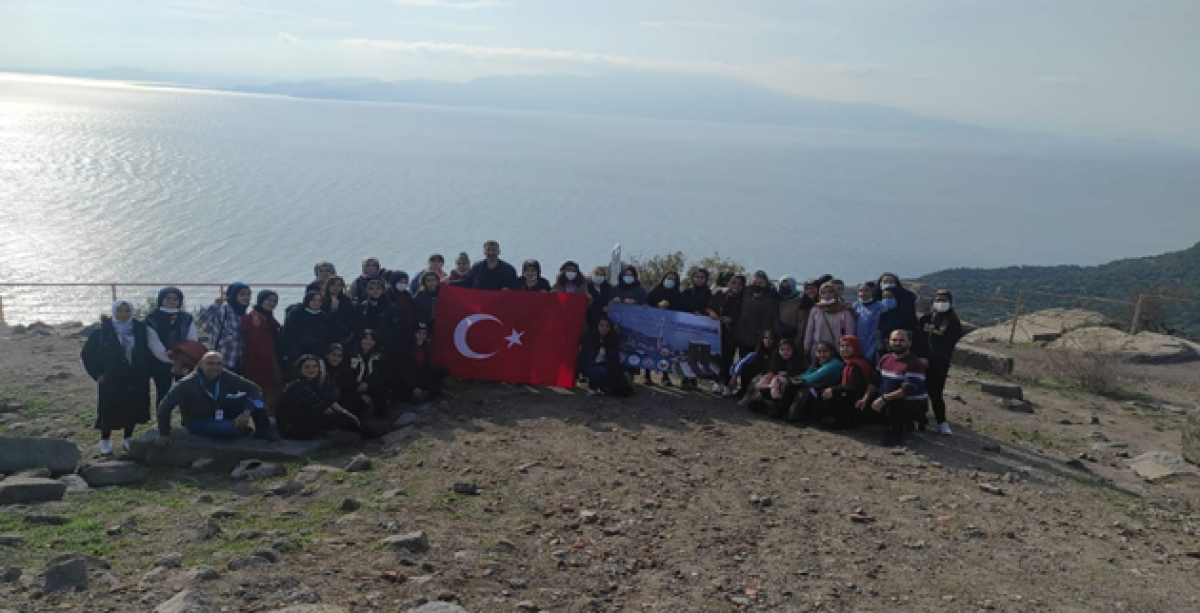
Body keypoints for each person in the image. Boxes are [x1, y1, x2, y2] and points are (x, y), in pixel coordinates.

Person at [154, 351, 279, 444]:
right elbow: (164, 406)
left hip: (221, 409)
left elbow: (254, 389)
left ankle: (264, 430)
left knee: (256, 399)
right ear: (200, 364)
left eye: (219, 364)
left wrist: (246, 413)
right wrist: (164, 433)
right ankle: (240, 428)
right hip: (199, 420)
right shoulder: (186, 384)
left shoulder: (224, 375)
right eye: (210, 363)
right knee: (231, 430)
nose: (215, 367)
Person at [81, 300, 152, 455]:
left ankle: (128, 438)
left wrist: (146, 371)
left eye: (127, 311)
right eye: (119, 311)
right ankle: (105, 439)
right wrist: (96, 374)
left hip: (134, 375)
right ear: (114, 312)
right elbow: (87, 354)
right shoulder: (101, 331)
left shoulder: (139, 329)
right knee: (109, 408)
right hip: (111, 376)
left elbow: (147, 350)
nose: (123, 314)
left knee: (132, 407)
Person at [276, 355, 369, 440]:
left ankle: (361, 430)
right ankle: (364, 432)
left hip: (303, 420)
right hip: (292, 429)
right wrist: (347, 416)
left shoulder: (313, 383)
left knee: (345, 413)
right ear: (300, 370)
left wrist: (348, 413)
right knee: (339, 417)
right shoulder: (298, 385)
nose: (311, 369)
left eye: (315, 366)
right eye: (307, 367)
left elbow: (328, 401)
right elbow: (324, 409)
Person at [866, 330, 929, 447]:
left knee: (894, 404)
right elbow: (875, 380)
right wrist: (866, 398)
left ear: (909, 343)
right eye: (894, 340)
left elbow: (908, 390)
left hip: (910, 402)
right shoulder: (885, 359)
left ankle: (896, 434)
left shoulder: (915, 363)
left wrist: (883, 399)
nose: (897, 343)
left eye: (901, 340)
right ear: (889, 342)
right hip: (887, 398)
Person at [914, 290, 964, 435]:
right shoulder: (925, 319)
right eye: (938, 300)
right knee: (919, 391)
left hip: (939, 363)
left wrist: (933, 359)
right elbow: (918, 340)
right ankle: (919, 419)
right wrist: (920, 357)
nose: (940, 303)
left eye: (944, 300)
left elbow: (948, 344)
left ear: (950, 303)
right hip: (921, 362)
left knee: (936, 393)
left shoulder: (953, 323)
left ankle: (942, 423)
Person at [145, 286, 199, 406]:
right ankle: (163, 417)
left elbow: (192, 340)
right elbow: (154, 343)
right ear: (161, 299)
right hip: (160, 364)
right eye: (168, 298)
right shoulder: (152, 318)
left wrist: (181, 360)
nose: (172, 301)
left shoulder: (186, 318)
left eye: (175, 299)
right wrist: (172, 361)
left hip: (184, 361)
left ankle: (187, 417)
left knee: (186, 393)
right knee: (163, 394)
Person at [240, 290, 284, 419]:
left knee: (275, 386)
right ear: (261, 300)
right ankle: (260, 415)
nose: (272, 303)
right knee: (261, 387)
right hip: (257, 360)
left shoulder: (269, 318)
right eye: (269, 300)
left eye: (274, 301)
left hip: (271, 357)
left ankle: (269, 413)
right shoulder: (251, 318)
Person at [821, 336, 875, 428]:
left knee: (830, 393)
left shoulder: (857, 365)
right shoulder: (848, 363)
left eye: (848, 346)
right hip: (851, 396)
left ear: (855, 347)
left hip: (859, 402)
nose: (844, 349)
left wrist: (834, 390)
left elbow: (856, 388)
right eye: (842, 346)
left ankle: (844, 421)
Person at [786, 341, 845, 423]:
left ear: (832, 352)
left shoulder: (835, 364)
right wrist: (794, 379)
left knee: (806, 389)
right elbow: (807, 374)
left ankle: (795, 415)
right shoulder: (819, 363)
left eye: (825, 351)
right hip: (818, 385)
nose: (822, 354)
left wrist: (800, 380)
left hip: (833, 389)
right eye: (819, 352)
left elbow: (816, 376)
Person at [197, 283, 251, 374]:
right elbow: (200, 319)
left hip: (237, 362)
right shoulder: (223, 310)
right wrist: (215, 305)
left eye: (248, 294)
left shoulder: (244, 314)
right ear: (233, 296)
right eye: (242, 294)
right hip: (220, 362)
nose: (246, 297)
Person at [644, 270, 686, 385]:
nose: (670, 281)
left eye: (673, 279)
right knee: (651, 350)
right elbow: (647, 304)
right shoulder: (655, 292)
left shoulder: (678, 295)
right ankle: (647, 375)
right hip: (653, 327)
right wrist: (657, 306)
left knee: (666, 351)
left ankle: (665, 376)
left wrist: (669, 307)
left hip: (669, 329)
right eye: (668, 278)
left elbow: (681, 309)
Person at [706, 274, 745, 397]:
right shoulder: (720, 294)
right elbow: (709, 306)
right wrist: (711, 312)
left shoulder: (744, 298)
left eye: (740, 284)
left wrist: (732, 319)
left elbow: (745, 315)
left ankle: (727, 384)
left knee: (729, 357)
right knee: (717, 356)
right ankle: (718, 381)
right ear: (728, 283)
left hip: (734, 332)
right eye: (734, 283)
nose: (736, 286)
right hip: (717, 330)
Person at [395, 323, 450, 404]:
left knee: (442, 372)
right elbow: (403, 371)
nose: (421, 336)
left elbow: (425, 366)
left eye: (424, 334)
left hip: (420, 374)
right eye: (419, 333)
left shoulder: (425, 346)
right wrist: (413, 386)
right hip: (408, 378)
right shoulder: (406, 349)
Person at [750, 338, 804, 418]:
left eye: (788, 349)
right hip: (774, 387)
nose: (785, 352)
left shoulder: (797, 363)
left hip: (789, 389)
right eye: (782, 349)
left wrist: (781, 380)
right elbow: (769, 375)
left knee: (787, 388)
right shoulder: (776, 361)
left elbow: (796, 379)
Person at [679, 268, 714, 390]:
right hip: (686, 327)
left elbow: (711, 308)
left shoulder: (709, 294)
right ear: (693, 278)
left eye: (702, 277)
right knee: (685, 352)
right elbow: (680, 308)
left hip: (702, 329)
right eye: (697, 277)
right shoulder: (687, 292)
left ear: (706, 279)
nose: (699, 280)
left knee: (697, 353)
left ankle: (693, 378)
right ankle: (685, 378)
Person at [343, 330, 389, 419]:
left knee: (382, 390)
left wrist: (367, 383)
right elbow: (346, 378)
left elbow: (381, 374)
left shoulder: (378, 356)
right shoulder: (350, 355)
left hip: (370, 387)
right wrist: (359, 393)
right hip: (352, 389)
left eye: (372, 340)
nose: (368, 342)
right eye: (366, 339)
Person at [578, 316, 630, 396]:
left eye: (607, 326)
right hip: (589, 365)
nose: (604, 328)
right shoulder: (589, 338)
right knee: (599, 371)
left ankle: (603, 387)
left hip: (606, 365)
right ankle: (592, 388)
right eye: (601, 325)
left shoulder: (613, 340)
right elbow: (584, 357)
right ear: (597, 326)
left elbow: (614, 359)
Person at [804, 282, 856, 360]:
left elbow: (849, 333)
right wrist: (806, 347)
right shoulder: (816, 309)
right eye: (823, 292)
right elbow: (809, 330)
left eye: (830, 292)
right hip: (819, 351)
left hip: (837, 350)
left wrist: (847, 350)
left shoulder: (844, 310)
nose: (827, 295)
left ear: (835, 294)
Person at [875, 273, 919, 355]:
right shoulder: (875, 302)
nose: (888, 284)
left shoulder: (906, 303)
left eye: (891, 281)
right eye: (885, 281)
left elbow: (911, 324)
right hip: (881, 346)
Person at [282, 292, 330, 366]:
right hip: (298, 353)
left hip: (317, 353)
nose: (316, 303)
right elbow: (290, 335)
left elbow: (326, 335)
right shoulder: (296, 314)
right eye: (314, 300)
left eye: (319, 301)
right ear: (308, 300)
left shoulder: (323, 316)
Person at [734, 329, 778, 405]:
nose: (768, 340)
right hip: (759, 373)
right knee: (747, 370)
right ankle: (746, 394)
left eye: (771, 338)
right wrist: (734, 377)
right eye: (766, 338)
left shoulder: (778, 353)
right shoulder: (758, 352)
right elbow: (742, 362)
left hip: (771, 375)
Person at [452, 241, 518, 290]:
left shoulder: (509, 270)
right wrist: (449, 283)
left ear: (499, 252)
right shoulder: (477, 268)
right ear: (484, 252)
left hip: (501, 303)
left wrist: (509, 290)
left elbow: (516, 288)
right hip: (480, 303)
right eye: (488, 250)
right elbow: (466, 282)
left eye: (493, 250)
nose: (491, 253)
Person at [320, 275, 357, 345]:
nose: (336, 287)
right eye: (333, 284)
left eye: (339, 285)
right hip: (326, 335)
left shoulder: (346, 300)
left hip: (344, 335)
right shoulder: (321, 300)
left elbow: (352, 318)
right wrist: (333, 310)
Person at [776, 275, 810, 349]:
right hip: (779, 336)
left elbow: (802, 325)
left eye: (787, 286)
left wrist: (797, 342)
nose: (784, 288)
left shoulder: (801, 302)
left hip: (793, 336)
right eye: (782, 286)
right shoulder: (778, 299)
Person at [853, 282, 885, 360]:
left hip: (873, 343)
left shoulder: (880, 307)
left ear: (873, 291)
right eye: (860, 290)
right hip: (857, 343)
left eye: (867, 290)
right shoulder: (855, 305)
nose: (863, 293)